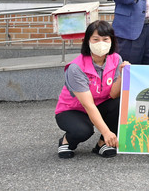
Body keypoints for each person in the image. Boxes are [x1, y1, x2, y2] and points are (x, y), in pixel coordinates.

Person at [55, 20, 129, 159]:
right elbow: (88, 105)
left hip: (100, 105)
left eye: (105, 39)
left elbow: (113, 94)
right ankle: (66, 141)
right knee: (83, 131)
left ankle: (102, 144)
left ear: (112, 41)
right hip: (73, 110)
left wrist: (122, 75)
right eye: (95, 39)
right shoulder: (76, 67)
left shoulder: (116, 59)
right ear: (87, 41)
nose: (101, 43)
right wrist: (106, 132)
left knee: (120, 103)